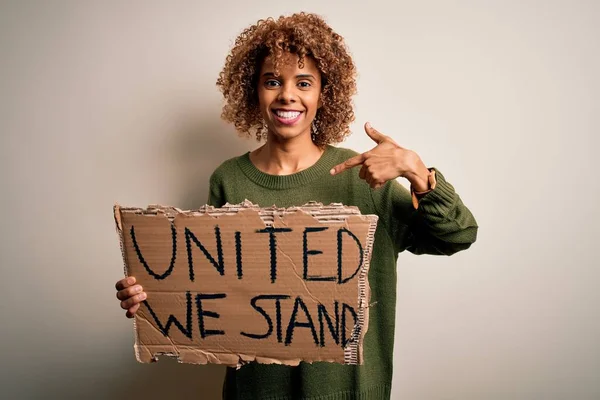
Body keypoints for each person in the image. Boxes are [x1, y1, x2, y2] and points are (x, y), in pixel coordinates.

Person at [115, 12, 478, 399]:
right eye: (273, 81)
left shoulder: (366, 177)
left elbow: (458, 235)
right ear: (254, 91)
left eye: (303, 82)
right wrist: (155, 299)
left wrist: (416, 170)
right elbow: (213, 299)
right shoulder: (228, 180)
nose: (287, 94)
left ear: (325, 93)